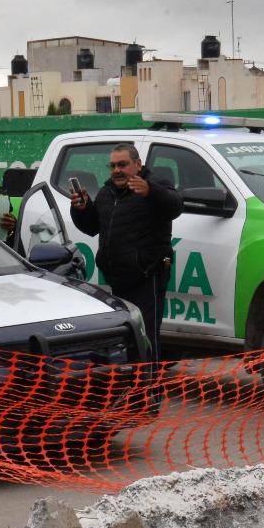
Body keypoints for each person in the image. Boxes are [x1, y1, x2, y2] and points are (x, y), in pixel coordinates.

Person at [68, 142, 181, 364]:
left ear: (138, 164)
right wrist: (82, 209)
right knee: (127, 341)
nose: (116, 171)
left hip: (147, 276)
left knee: (146, 340)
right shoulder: (108, 191)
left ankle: (150, 396)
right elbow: (92, 227)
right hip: (117, 279)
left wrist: (150, 192)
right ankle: (131, 395)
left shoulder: (156, 184)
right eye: (112, 166)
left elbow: (175, 206)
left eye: (122, 164)